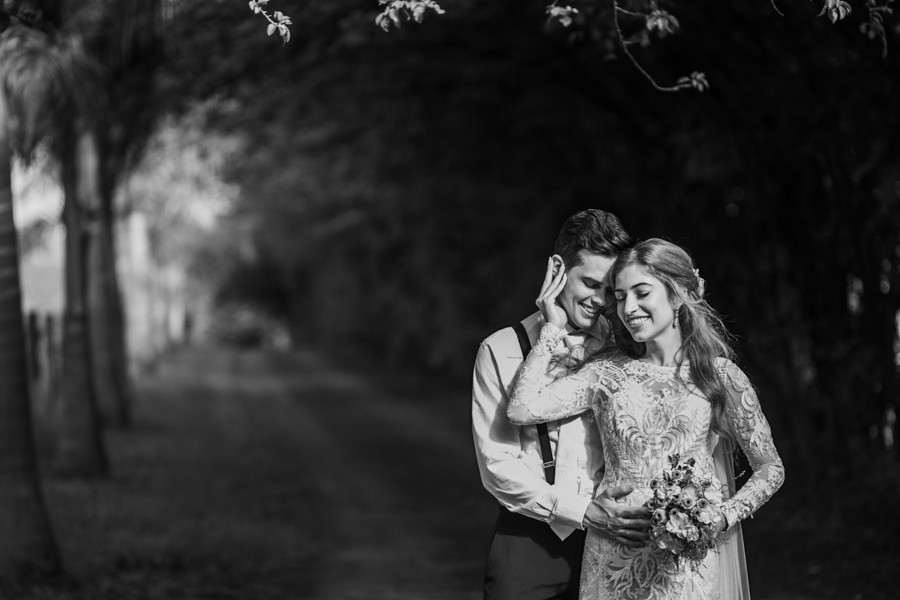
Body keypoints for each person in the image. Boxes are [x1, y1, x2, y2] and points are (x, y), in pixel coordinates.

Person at [508, 238, 785, 600]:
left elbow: (771, 468)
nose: (628, 308)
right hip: (614, 551)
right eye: (620, 296)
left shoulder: (720, 377)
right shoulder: (605, 372)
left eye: (641, 293)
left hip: (685, 564)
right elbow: (522, 409)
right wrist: (552, 326)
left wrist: (721, 516)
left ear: (678, 295)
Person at [472, 209, 651, 600]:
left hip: (617, 542)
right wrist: (581, 511)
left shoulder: (627, 347)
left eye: (609, 289)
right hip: (529, 545)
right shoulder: (500, 349)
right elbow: (497, 465)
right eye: (590, 283)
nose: (600, 300)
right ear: (557, 268)